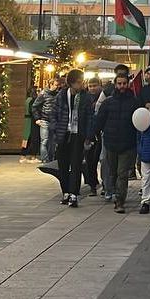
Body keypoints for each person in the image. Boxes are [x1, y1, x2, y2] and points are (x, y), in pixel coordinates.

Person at [93, 73, 140, 213]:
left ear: (128, 84)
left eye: (124, 83)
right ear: (115, 84)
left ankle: (120, 201)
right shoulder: (108, 102)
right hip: (111, 143)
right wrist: (91, 136)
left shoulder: (134, 102)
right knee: (113, 173)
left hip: (128, 144)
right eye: (119, 83)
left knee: (122, 173)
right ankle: (114, 193)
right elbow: (99, 121)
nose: (122, 86)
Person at [49, 70, 94, 208]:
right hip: (63, 133)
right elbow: (53, 113)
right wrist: (55, 128)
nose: (82, 84)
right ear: (71, 83)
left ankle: (74, 193)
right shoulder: (62, 95)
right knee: (63, 165)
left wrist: (88, 136)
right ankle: (66, 192)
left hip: (78, 134)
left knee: (76, 164)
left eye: (82, 82)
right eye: (79, 82)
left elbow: (90, 117)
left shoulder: (85, 97)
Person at [81, 77, 104, 196]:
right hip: (89, 134)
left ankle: (105, 184)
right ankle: (92, 185)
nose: (92, 88)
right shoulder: (85, 98)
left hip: (101, 133)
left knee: (103, 160)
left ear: (100, 85)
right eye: (90, 86)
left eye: (95, 86)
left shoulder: (104, 97)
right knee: (90, 161)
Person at [33, 78, 61, 162]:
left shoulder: (58, 94)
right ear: (51, 84)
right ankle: (45, 160)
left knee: (52, 142)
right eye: (56, 85)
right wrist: (37, 119)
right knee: (44, 141)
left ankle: (51, 159)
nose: (57, 87)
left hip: (54, 121)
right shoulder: (43, 94)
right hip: (44, 120)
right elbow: (35, 106)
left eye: (58, 85)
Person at [20, 87, 41, 163]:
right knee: (34, 138)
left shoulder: (27, 100)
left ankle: (23, 156)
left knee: (26, 139)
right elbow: (33, 111)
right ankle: (33, 156)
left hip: (27, 121)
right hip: (32, 121)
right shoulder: (33, 100)